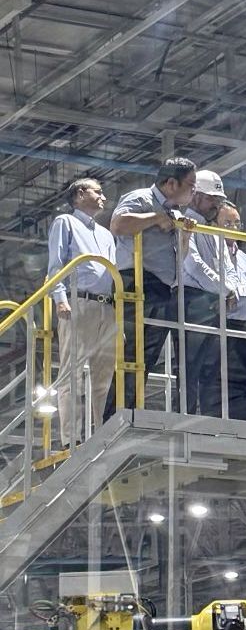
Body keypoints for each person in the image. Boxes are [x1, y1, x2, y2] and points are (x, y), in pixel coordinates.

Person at [105, 157, 197, 415]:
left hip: (161, 286)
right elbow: (118, 225)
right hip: (137, 280)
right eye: (190, 185)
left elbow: (181, 257)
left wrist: (185, 235)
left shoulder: (176, 211)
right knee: (131, 352)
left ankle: (130, 409)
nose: (193, 191)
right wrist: (156, 218)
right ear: (170, 182)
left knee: (145, 356)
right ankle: (116, 412)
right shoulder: (141, 198)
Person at [47, 178, 117, 449]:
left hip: (106, 305)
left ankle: (98, 432)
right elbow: (56, 265)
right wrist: (60, 300)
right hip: (79, 303)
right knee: (71, 372)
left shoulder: (106, 234)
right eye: (97, 192)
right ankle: (71, 438)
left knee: (104, 376)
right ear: (80, 194)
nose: (103, 197)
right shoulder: (65, 222)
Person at [179, 169, 230, 415]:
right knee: (191, 364)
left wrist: (228, 288)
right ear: (196, 196)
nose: (216, 205)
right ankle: (185, 415)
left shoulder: (211, 229)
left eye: (219, 201)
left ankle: (211, 418)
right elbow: (193, 265)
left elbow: (223, 263)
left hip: (211, 300)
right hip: (193, 301)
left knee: (213, 366)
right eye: (213, 199)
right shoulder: (185, 223)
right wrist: (224, 288)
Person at [215, 201, 246, 421]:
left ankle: (243, 427)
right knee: (224, 381)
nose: (233, 228)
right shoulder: (214, 252)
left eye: (236, 223)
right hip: (226, 325)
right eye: (227, 222)